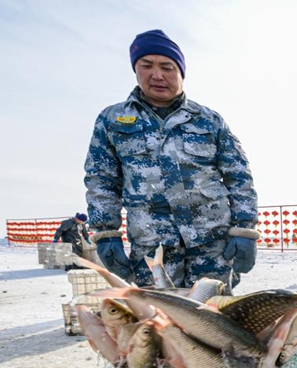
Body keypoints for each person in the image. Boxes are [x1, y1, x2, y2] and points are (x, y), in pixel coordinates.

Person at [84, 30, 259, 293]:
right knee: (159, 322)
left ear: (180, 72)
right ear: (136, 70)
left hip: (213, 245)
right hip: (153, 251)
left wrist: (244, 229)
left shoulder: (208, 120)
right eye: (146, 65)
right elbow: (101, 181)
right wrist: (106, 233)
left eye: (166, 67)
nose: (157, 75)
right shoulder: (112, 120)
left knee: (214, 319)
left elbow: (239, 176)